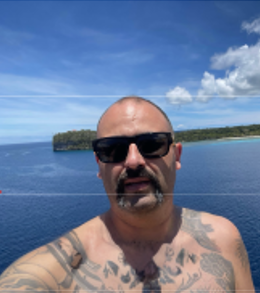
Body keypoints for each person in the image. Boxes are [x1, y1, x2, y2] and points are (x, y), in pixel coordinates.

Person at [0, 96, 255, 293]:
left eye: (152, 144)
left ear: (176, 156)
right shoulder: (54, 271)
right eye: (113, 150)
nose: (133, 161)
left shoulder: (224, 238)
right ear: (99, 165)